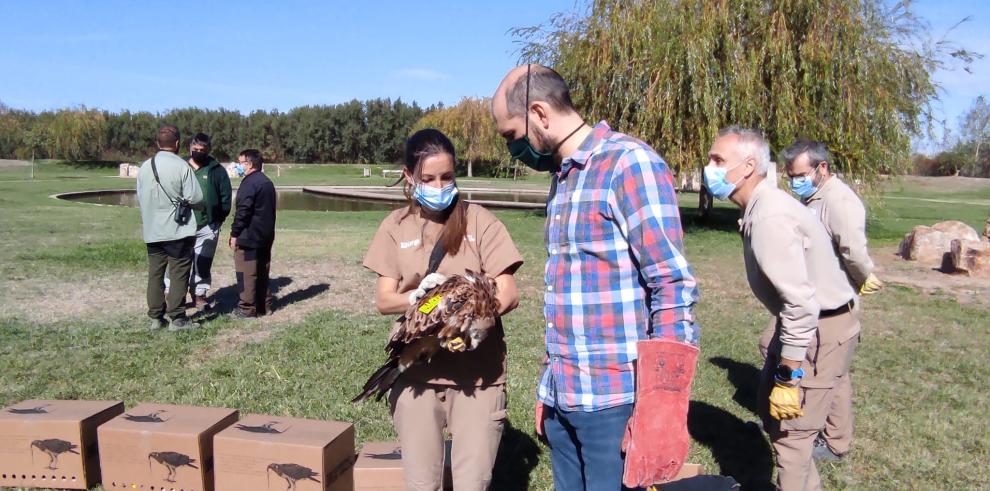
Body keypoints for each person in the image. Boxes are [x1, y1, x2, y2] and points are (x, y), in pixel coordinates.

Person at [491, 64, 699, 490]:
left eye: (512, 136)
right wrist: (549, 389)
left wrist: (661, 405)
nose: (514, 149)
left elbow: (672, 284)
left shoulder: (629, 164)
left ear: (539, 113)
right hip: (565, 397)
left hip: (615, 401)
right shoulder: (563, 178)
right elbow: (569, 291)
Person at [362, 129, 523, 491]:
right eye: (428, 178)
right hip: (415, 376)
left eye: (447, 177)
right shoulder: (395, 226)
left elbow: (508, 292)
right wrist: (416, 299)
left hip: (477, 379)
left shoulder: (479, 221)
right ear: (409, 176)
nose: (439, 185)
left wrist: (471, 323)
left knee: (472, 484)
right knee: (422, 485)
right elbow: (384, 300)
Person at [705, 126, 859, 490]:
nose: (708, 167)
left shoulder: (770, 216)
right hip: (807, 324)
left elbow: (802, 305)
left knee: (792, 439)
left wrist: (789, 377)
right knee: (776, 421)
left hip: (820, 330)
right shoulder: (763, 206)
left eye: (717, 160)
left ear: (748, 166)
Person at [778, 138, 882, 462]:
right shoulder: (815, 197)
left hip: (832, 309)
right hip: (815, 304)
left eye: (800, 174)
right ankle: (836, 438)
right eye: (791, 175)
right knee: (837, 375)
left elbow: (853, 251)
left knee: (826, 376)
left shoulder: (839, 201)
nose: (796, 181)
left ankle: (821, 441)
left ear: (822, 168)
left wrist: (864, 279)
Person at [136, 124, 204, 331]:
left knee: (155, 274)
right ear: (177, 144)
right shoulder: (182, 166)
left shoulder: (145, 167)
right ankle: (177, 318)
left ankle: (156, 317)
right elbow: (197, 198)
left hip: (153, 231)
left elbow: (140, 196)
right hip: (177, 230)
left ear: (157, 143)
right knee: (179, 273)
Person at [164, 132, 232, 309]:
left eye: (202, 150)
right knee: (176, 259)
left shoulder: (217, 170)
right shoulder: (180, 166)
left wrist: (218, 219)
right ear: (190, 148)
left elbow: (226, 197)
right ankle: (170, 292)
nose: (199, 152)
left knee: (203, 261)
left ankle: (199, 294)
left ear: (209, 150)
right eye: (195, 149)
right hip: (180, 225)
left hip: (207, 225)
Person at [228, 149, 276, 318]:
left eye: (240, 163)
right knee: (262, 271)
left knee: (246, 273)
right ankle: (264, 306)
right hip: (265, 236)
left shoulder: (249, 183)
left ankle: (246, 309)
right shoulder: (267, 182)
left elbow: (243, 211)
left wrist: (234, 234)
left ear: (249, 164)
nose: (237, 166)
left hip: (249, 237)